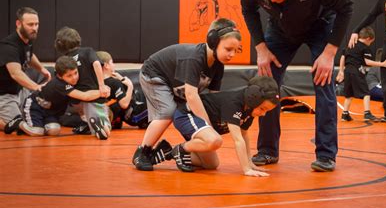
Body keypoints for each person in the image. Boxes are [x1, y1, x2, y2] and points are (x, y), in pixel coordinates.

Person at [240, 0, 353, 172]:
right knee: (266, 82)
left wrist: (330, 52)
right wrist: (260, 47)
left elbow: (346, 8)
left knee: (323, 81)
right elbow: (248, 10)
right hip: (281, 29)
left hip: (320, 26)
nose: (271, 0)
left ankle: (326, 155)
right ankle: (267, 150)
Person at [132, 18, 242, 171]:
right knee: (168, 111)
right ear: (213, 42)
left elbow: (213, 98)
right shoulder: (194, 58)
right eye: (228, 49)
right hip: (154, 74)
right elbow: (191, 95)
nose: (232, 55)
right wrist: (208, 125)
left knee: (211, 164)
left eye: (236, 50)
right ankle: (143, 152)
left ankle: (170, 152)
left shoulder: (218, 66)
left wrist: (219, 119)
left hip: (178, 86)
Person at [168, 76, 279, 176]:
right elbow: (238, 140)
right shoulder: (234, 103)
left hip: (200, 125)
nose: (263, 114)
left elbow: (244, 134)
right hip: (186, 115)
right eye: (262, 109)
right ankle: (181, 148)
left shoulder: (250, 107)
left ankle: (167, 152)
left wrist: (250, 163)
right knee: (215, 140)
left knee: (211, 164)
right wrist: (246, 169)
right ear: (253, 97)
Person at [18, 56, 105, 136]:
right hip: (35, 107)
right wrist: (103, 90)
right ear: (60, 76)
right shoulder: (59, 84)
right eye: (69, 75)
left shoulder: (72, 81)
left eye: (75, 73)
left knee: (54, 131)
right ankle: (18, 123)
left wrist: (84, 117)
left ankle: (36, 124)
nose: (74, 77)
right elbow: (85, 96)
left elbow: (77, 104)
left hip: (51, 111)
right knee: (37, 132)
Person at [0, 7, 51, 133]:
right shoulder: (8, 46)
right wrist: (36, 87)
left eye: (37, 24)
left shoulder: (27, 40)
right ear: (18, 24)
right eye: (30, 24)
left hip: (19, 91)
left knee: (35, 118)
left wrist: (42, 69)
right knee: (18, 127)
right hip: (4, 94)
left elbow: (29, 54)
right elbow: (15, 73)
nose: (34, 28)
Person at [54, 27, 111, 140]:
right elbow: (96, 63)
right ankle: (99, 127)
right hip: (93, 97)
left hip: (76, 99)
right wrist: (101, 85)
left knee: (88, 118)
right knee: (106, 129)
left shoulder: (65, 59)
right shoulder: (87, 51)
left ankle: (89, 124)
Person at [336, 27, 386, 122]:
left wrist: (341, 71)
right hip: (357, 70)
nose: (370, 44)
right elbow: (367, 61)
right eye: (371, 42)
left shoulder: (351, 44)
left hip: (347, 71)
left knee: (349, 94)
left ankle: (345, 114)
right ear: (368, 38)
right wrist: (381, 64)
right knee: (366, 92)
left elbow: (342, 57)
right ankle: (367, 113)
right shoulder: (364, 47)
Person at [96, 51, 148, 129]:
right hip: (134, 115)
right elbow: (124, 104)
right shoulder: (114, 83)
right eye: (112, 62)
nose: (113, 65)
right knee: (159, 104)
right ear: (106, 65)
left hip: (129, 113)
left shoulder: (98, 83)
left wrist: (122, 79)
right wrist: (130, 85)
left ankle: (116, 120)